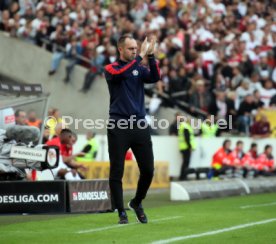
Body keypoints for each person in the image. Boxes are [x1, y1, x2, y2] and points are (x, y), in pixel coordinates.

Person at [104, 34, 160, 224]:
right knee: (116, 171)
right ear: (120, 49)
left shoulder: (138, 67)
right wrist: (139, 58)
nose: (135, 52)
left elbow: (155, 76)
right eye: (131, 49)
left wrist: (150, 57)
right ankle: (121, 211)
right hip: (118, 125)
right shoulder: (111, 69)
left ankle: (136, 202)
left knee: (148, 170)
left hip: (139, 124)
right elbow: (123, 74)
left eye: (136, 48)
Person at [178, 116, 196, 180]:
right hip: (186, 147)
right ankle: (183, 176)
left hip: (184, 147)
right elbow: (187, 138)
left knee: (185, 162)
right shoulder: (185, 126)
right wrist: (190, 146)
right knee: (186, 162)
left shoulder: (183, 126)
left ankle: (183, 176)